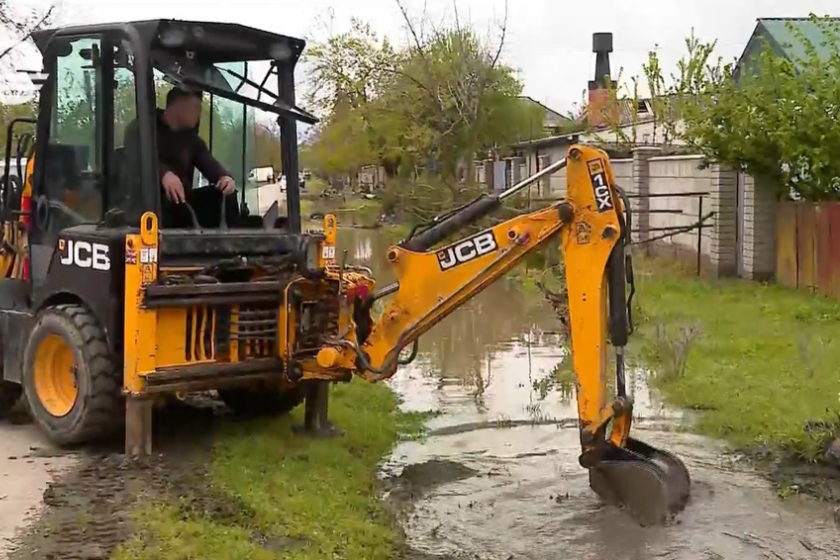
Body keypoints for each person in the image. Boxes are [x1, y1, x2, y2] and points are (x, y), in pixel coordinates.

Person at [123, 87, 238, 228]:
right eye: (196, 107)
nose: (199, 113)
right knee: (163, 201)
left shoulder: (191, 140)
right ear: (179, 105)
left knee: (225, 195)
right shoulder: (141, 129)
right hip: (146, 207)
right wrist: (164, 174)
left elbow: (208, 162)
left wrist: (223, 177)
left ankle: (232, 246)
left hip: (181, 204)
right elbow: (137, 158)